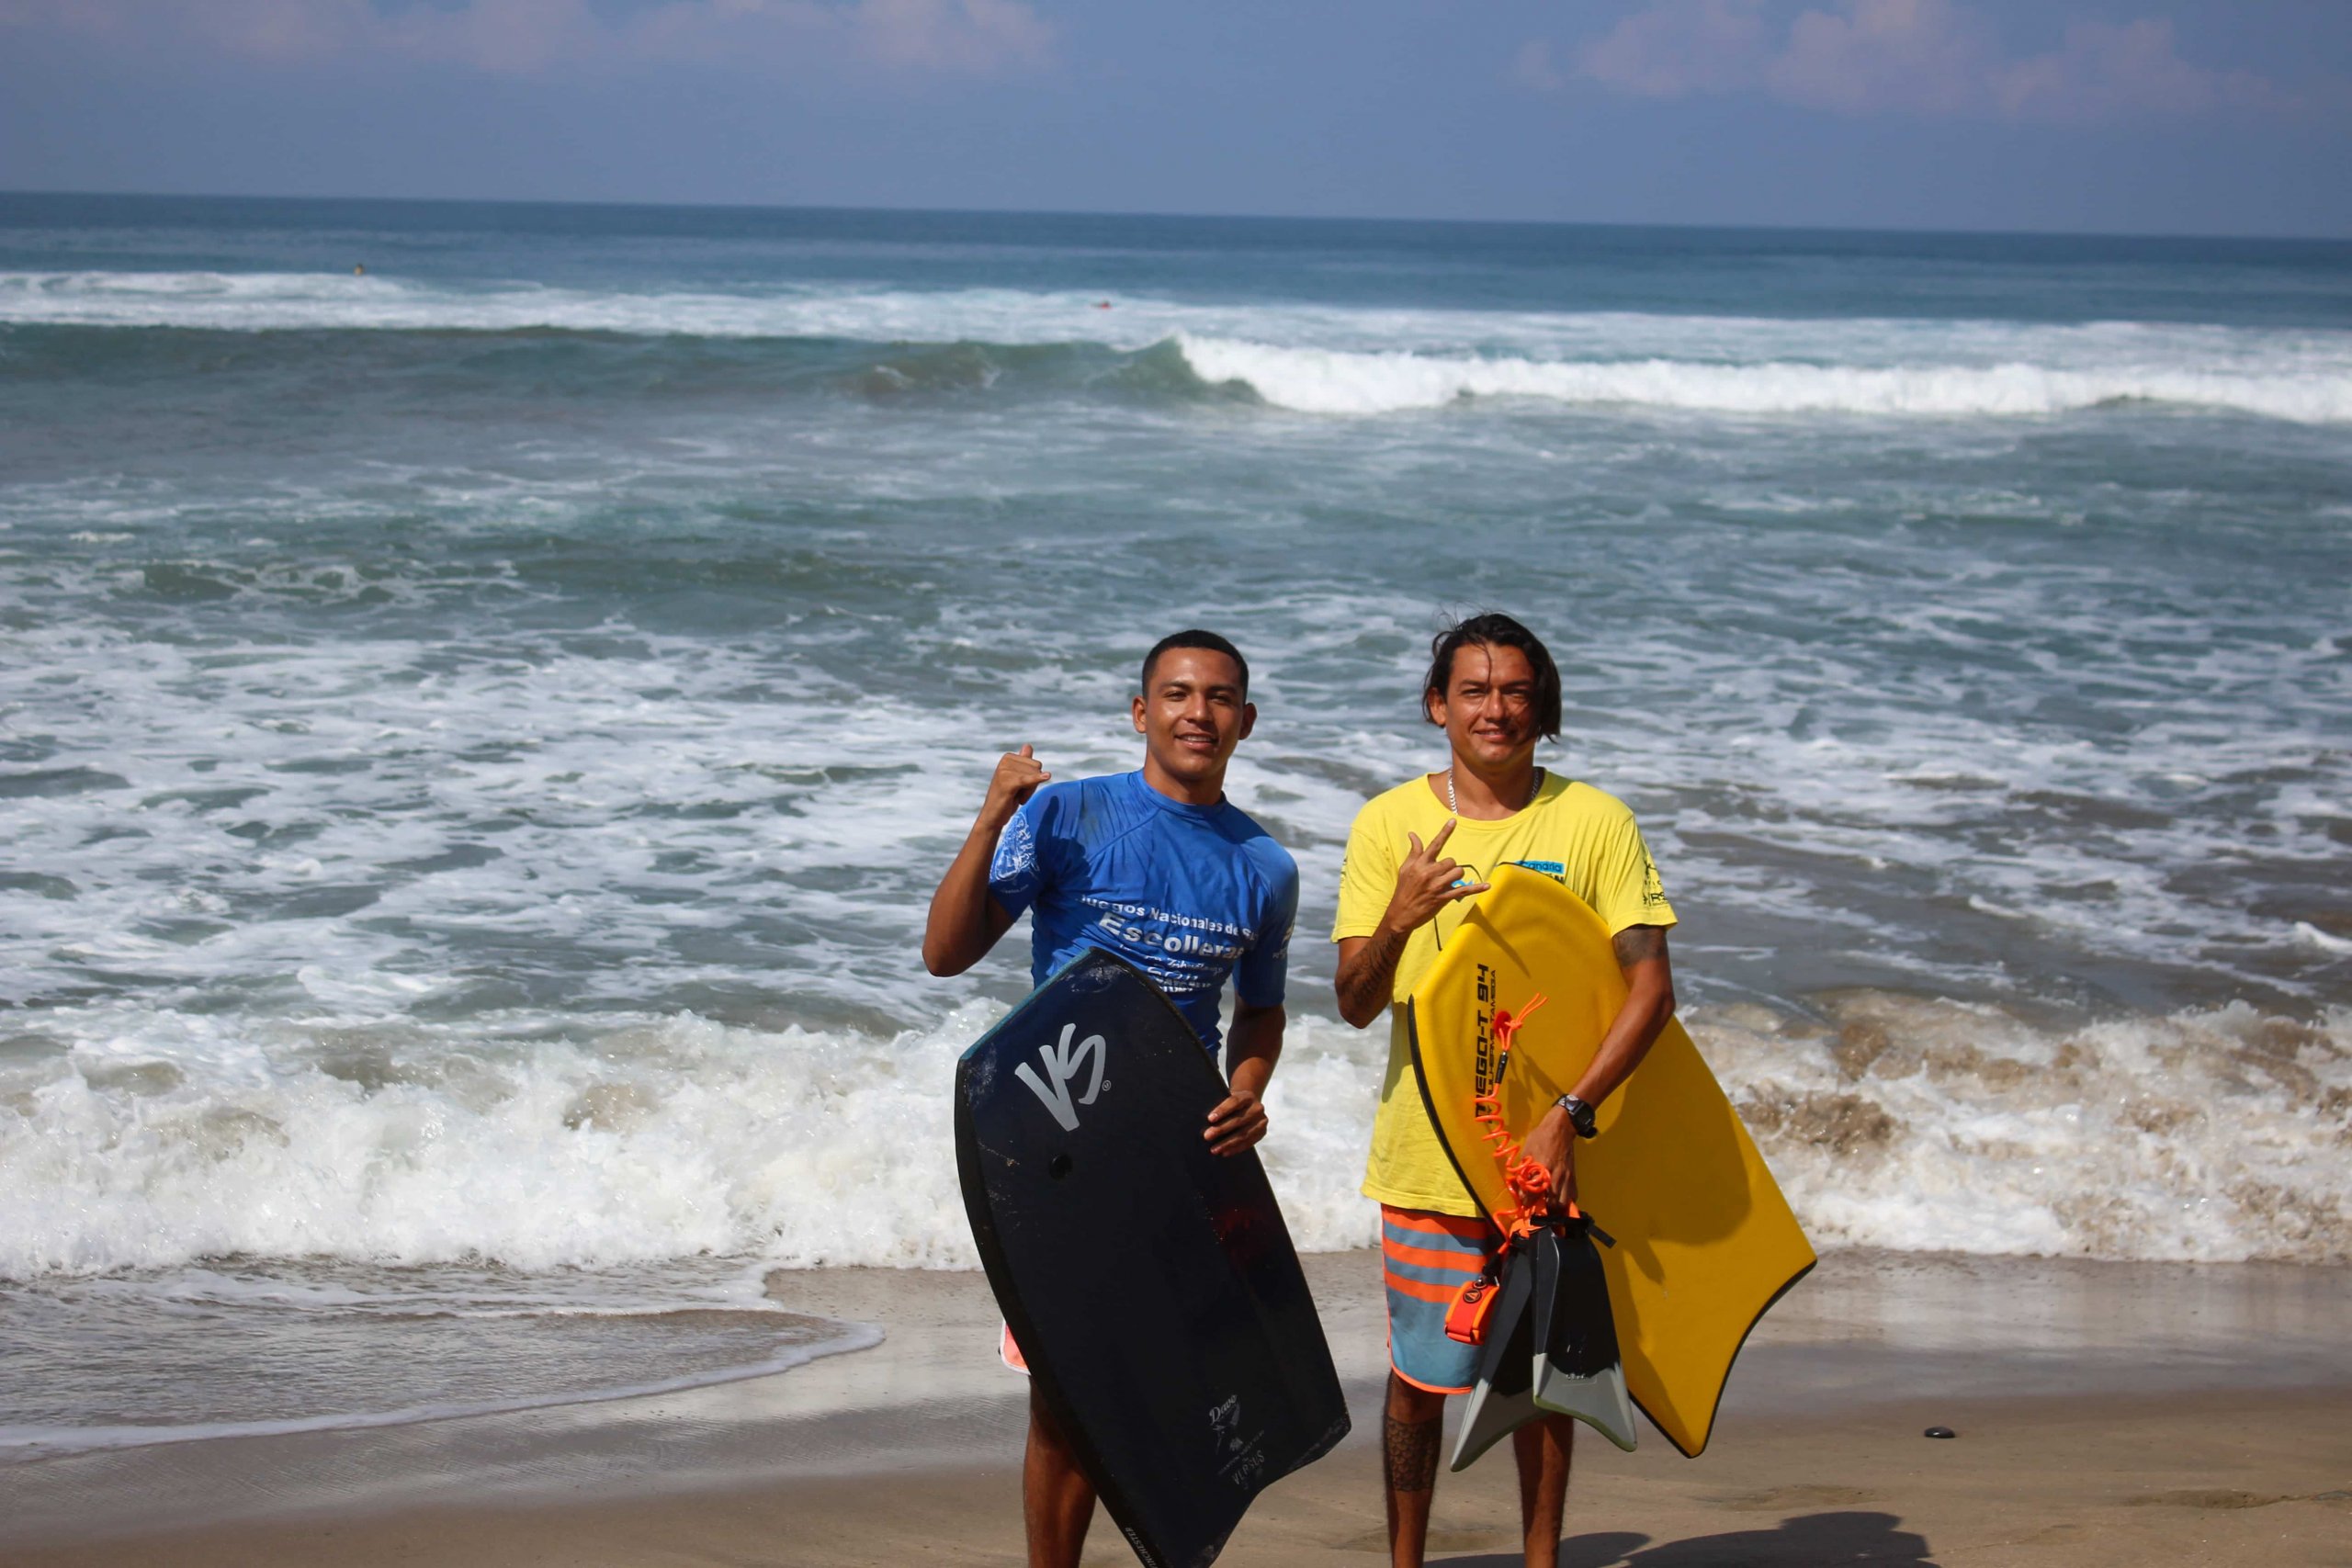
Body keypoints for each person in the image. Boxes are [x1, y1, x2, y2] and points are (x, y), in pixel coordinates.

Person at [923, 628, 1300, 1568]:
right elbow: (944, 953)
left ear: (1244, 721)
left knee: (1177, 1394)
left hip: (1181, 1161)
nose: (1196, 714)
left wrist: (1249, 1087)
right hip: (1062, 1149)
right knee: (1066, 1398)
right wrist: (989, 817)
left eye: (1217, 699)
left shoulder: (1265, 868)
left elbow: (1259, 1012)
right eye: (1176, 694)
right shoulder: (1068, 818)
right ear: (1141, 712)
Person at [1331, 612, 1679, 1568]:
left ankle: (1541, 1559)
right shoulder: (1387, 823)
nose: (1496, 708)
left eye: (1516, 690)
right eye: (1474, 690)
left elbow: (1651, 992)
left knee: (1546, 1375)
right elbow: (1356, 1004)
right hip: (1428, 1155)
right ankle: (1405, 1560)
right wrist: (1399, 918)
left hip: (1549, 1159)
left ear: (1543, 706)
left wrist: (1569, 1118)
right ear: (1437, 705)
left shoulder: (1593, 823)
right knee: (1419, 1376)